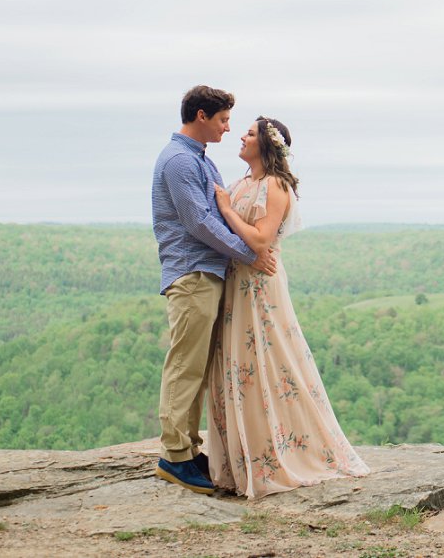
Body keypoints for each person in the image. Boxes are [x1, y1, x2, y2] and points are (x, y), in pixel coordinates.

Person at [204, 115, 370, 498]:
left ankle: (279, 453)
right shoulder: (241, 182)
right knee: (235, 365)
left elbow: (261, 241)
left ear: (265, 144)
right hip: (234, 284)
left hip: (259, 287)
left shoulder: (274, 186)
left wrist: (228, 211)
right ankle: (238, 459)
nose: (240, 136)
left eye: (248, 132)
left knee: (267, 362)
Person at [151, 85, 279, 495]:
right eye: (223, 120)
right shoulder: (178, 162)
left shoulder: (199, 161)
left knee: (197, 368)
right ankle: (175, 457)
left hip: (207, 274)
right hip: (192, 274)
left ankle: (188, 451)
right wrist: (248, 254)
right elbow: (200, 223)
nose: (228, 129)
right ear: (202, 115)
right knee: (185, 365)